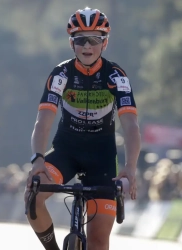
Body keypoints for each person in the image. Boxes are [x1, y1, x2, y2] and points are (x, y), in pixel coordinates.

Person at [24, 7, 141, 250]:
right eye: (80, 40)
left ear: (105, 43)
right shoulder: (61, 74)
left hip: (102, 158)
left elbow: (130, 126)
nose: (87, 46)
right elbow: (43, 121)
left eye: (94, 40)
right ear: (71, 43)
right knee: (33, 197)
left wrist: (130, 167)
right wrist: (38, 160)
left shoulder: (115, 75)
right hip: (67, 152)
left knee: (98, 241)